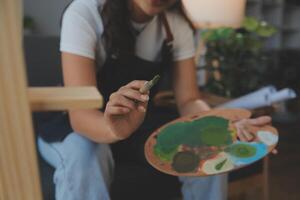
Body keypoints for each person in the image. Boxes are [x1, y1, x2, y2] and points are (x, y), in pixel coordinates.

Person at [37, 0, 273, 199]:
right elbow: (81, 115)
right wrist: (115, 129)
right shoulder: (85, 13)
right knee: (86, 154)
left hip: (138, 123)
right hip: (75, 123)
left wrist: (220, 123)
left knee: (210, 146)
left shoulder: (176, 26)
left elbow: (189, 99)